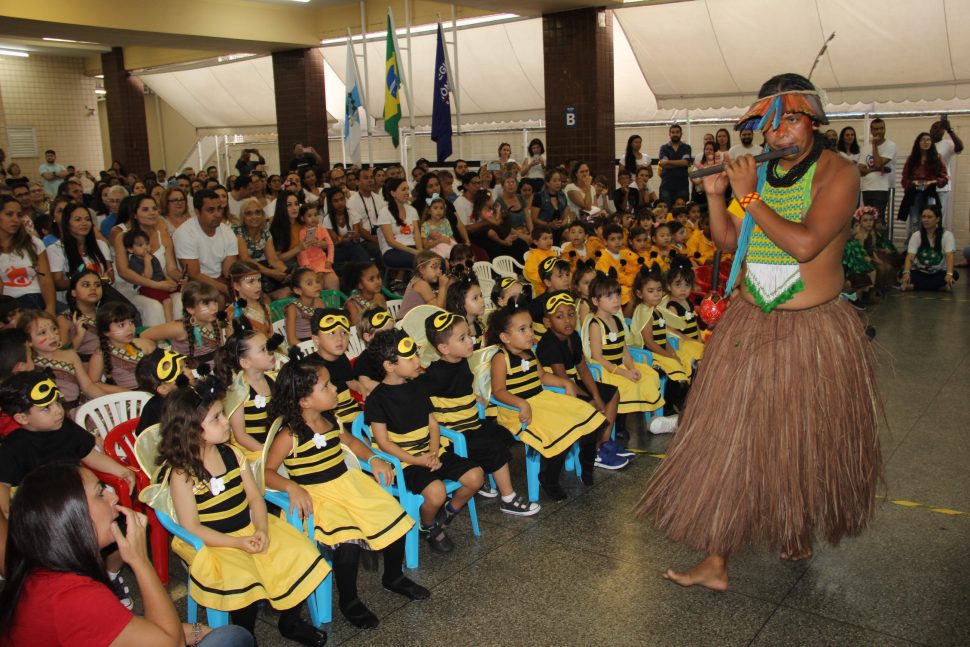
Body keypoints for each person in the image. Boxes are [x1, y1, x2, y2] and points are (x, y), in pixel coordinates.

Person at [637, 72, 881, 591]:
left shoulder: (840, 172)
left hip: (813, 329)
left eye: (790, 120)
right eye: (769, 126)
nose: (778, 134)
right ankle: (716, 559)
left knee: (800, 438)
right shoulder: (762, 178)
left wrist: (748, 197)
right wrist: (716, 195)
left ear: (812, 120)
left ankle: (795, 526)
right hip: (751, 321)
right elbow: (730, 239)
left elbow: (805, 243)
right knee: (733, 435)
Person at [154, 380, 330, 645]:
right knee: (243, 579)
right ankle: (245, 637)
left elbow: (255, 499)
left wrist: (260, 528)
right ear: (192, 430)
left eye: (222, 414)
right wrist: (236, 543)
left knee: (299, 553)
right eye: (217, 418)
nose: (226, 422)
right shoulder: (182, 474)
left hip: (248, 529)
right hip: (214, 543)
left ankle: (290, 621)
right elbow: (191, 526)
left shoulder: (233, 454)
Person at [0, 463, 253, 646]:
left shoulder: (43, 571)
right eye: (100, 493)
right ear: (71, 520)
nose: (112, 497)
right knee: (232, 638)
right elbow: (170, 642)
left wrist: (199, 631)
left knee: (218, 633)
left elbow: (132, 627)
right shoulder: (72, 598)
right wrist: (140, 560)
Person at [264, 357, 429, 629]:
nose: (334, 390)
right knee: (348, 541)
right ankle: (349, 601)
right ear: (305, 401)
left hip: (347, 484)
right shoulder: (290, 435)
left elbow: (351, 441)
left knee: (391, 514)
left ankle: (393, 576)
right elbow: (267, 472)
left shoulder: (330, 419)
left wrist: (374, 458)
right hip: (317, 498)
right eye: (327, 386)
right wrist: (291, 486)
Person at [364, 329, 484, 552]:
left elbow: (433, 424)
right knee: (436, 492)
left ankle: (446, 514)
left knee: (476, 476)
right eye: (410, 358)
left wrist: (434, 451)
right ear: (389, 366)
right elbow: (383, 442)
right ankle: (428, 525)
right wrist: (417, 460)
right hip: (403, 463)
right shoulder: (377, 399)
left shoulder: (418, 385)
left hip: (430, 453)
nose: (418, 361)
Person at [422, 311, 541, 515]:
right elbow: (420, 399)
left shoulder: (460, 362)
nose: (471, 341)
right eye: (463, 338)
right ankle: (508, 498)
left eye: (468, 335)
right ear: (444, 348)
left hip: (472, 423)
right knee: (493, 448)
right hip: (454, 434)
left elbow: (460, 390)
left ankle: (485, 478)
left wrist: (473, 398)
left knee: (503, 435)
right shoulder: (435, 374)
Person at [487, 299, 605, 500]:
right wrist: (521, 403)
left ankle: (587, 465)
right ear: (505, 337)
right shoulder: (501, 358)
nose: (530, 333)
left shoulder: (530, 353)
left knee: (586, 415)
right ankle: (548, 478)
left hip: (541, 400)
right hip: (517, 410)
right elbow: (498, 391)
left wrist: (565, 383)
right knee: (557, 430)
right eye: (522, 329)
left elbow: (541, 376)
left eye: (530, 327)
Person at [174, 189, 239, 299]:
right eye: (211, 210)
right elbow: (194, 275)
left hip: (220, 279)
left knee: (253, 294)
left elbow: (228, 272)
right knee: (219, 299)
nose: (217, 214)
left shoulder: (227, 231)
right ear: (197, 212)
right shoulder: (185, 233)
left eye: (219, 209)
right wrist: (224, 289)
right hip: (194, 284)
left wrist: (238, 288)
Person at [0, 195, 55, 315]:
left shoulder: (34, 243)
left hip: (37, 299)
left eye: (19, 215)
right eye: (9, 214)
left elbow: (46, 281)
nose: (15, 219)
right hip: (9, 306)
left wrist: (50, 309)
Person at [900, 132, 948, 237]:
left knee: (931, 219)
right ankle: (913, 246)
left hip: (930, 192)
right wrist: (913, 182)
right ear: (918, 143)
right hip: (914, 193)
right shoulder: (912, 159)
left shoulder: (937, 158)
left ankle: (930, 245)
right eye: (922, 140)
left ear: (932, 143)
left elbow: (944, 178)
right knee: (915, 219)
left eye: (928, 140)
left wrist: (931, 182)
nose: (925, 142)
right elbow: (904, 179)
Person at [901, 204, 958, 291]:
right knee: (901, 273)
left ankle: (914, 287)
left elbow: (950, 255)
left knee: (955, 274)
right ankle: (940, 288)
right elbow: (910, 256)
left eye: (929, 217)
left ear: (938, 219)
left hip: (939, 272)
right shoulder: (916, 235)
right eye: (923, 217)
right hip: (919, 272)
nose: (925, 220)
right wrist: (906, 273)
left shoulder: (947, 235)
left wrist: (949, 274)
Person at [859, 118, 896, 225]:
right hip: (866, 188)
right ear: (871, 130)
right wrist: (876, 169)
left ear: (885, 129)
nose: (879, 131)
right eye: (876, 129)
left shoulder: (890, 145)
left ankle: (879, 241)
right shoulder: (866, 148)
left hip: (881, 188)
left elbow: (879, 163)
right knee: (867, 219)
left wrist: (874, 145)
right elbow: (860, 170)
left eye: (881, 128)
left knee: (878, 219)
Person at [929, 118, 964, 229]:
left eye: (940, 128)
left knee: (939, 216)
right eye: (935, 127)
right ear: (930, 130)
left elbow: (960, 147)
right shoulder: (925, 143)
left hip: (942, 187)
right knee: (926, 214)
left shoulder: (948, 143)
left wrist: (950, 130)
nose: (937, 130)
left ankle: (938, 242)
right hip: (927, 186)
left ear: (943, 132)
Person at [658, 124, 693, 205]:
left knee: (682, 212)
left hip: (682, 185)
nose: (675, 134)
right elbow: (663, 164)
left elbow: (686, 163)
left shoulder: (686, 147)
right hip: (666, 185)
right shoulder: (664, 148)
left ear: (681, 134)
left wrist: (668, 162)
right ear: (669, 134)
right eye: (673, 132)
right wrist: (680, 163)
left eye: (677, 132)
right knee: (665, 211)